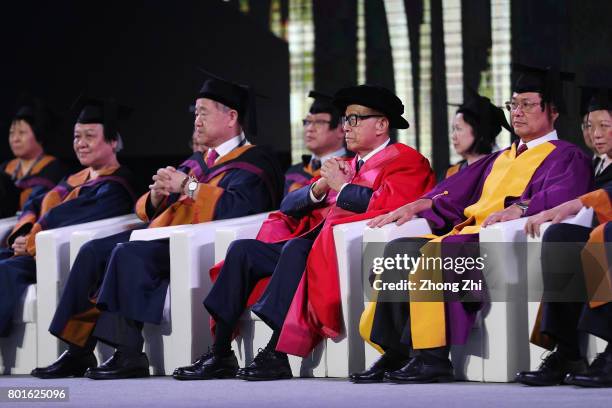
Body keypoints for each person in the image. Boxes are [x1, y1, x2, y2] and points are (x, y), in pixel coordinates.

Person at [173, 84, 436, 381]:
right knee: (243, 251)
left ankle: (277, 353)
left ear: (381, 124)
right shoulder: (345, 164)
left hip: (342, 250)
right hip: (309, 242)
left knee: (295, 251)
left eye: (354, 119)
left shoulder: (406, 160)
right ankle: (220, 352)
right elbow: (288, 205)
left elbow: (392, 205)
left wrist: (342, 187)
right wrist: (320, 187)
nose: (346, 127)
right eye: (345, 119)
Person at [31, 75, 283, 380]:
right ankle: (77, 351)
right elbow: (146, 210)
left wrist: (188, 187)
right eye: (195, 113)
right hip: (165, 234)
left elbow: (241, 208)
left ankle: (129, 353)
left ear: (231, 117)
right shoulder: (197, 160)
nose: (196, 120)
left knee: (127, 253)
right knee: (93, 250)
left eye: (203, 112)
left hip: (199, 244)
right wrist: (157, 194)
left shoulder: (256, 161)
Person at [354, 63, 592, 384]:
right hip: (467, 237)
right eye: (513, 105)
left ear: (553, 111)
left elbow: (563, 195)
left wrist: (521, 208)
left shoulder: (566, 155)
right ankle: (398, 352)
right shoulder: (500, 157)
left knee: (435, 255)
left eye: (527, 105)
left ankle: (433, 356)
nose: (517, 112)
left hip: (495, 244)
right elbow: (454, 195)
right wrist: (420, 204)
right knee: (400, 250)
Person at [0, 98, 137, 338]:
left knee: (4, 270)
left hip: (59, 257)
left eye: (89, 136)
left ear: (113, 141)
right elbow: (35, 203)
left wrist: (32, 240)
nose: (81, 144)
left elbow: (66, 217)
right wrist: (23, 233)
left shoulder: (117, 186)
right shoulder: (75, 178)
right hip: (35, 249)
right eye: (76, 136)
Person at [518, 79, 612, 387]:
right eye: (589, 126)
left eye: (605, 125)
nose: (596, 134)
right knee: (560, 237)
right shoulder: (596, 166)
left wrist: (578, 203)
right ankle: (567, 350)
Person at [0, 98, 66, 218]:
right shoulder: (5, 168)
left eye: (22, 133)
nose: (15, 139)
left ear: (39, 134)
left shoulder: (53, 169)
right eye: (11, 133)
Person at [284, 91, 347, 194]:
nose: (309, 128)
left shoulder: (352, 168)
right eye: (307, 122)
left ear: (341, 130)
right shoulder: (293, 172)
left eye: (319, 122)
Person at [446, 89, 510, 178]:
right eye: (453, 129)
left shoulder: (505, 172)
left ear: (480, 131)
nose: (453, 136)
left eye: (458, 129)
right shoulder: (452, 175)